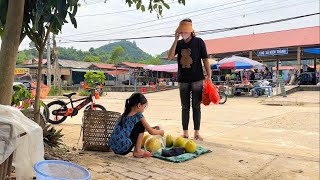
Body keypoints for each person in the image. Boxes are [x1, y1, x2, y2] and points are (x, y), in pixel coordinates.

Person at [168, 18, 211, 141]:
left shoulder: (199, 42)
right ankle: (185, 132)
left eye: (185, 31)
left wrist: (209, 76)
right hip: (183, 80)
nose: (183, 33)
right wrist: (175, 40)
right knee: (185, 107)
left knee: (196, 106)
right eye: (181, 31)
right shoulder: (179, 44)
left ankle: (196, 133)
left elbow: (205, 59)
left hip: (197, 79)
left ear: (191, 31)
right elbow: (170, 56)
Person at [109, 93, 164, 158]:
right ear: (139, 105)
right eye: (144, 107)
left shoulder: (124, 115)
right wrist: (161, 132)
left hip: (114, 147)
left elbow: (132, 129)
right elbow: (151, 132)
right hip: (124, 149)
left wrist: (153, 127)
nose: (143, 109)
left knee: (140, 125)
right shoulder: (138, 115)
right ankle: (138, 151)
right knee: (140, 124)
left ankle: (137, 150)